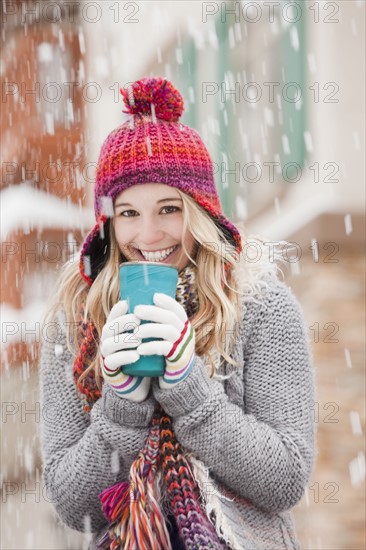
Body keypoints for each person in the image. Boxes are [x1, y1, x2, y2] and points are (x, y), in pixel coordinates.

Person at [40, 77, 317, 550]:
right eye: (128, 213)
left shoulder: (260, 308)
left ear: (200, 213)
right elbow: (73, 506)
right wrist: (123, 401)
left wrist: (189, 388)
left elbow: (286, 479)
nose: (148, 236)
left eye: (168, 208)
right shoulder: (76, 323)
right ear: (107, 222)